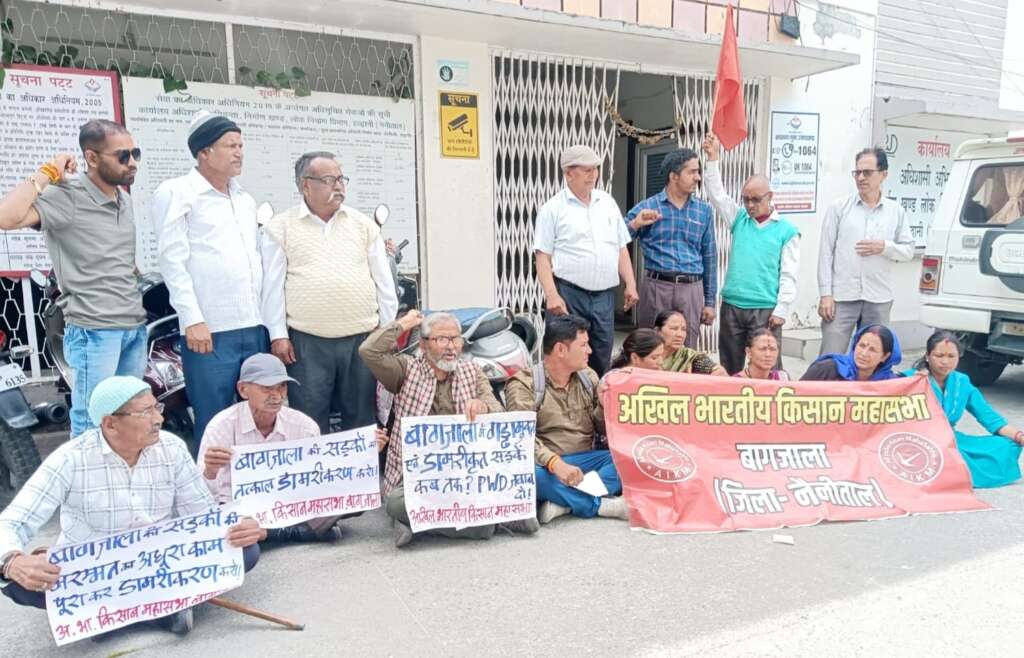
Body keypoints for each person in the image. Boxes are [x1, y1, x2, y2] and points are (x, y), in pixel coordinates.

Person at [0, 376, 263, 636]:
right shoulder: (70, 459)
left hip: (161, 562)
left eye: (157, 408)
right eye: (145, 412)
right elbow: (13, 521)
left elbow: (202, 514)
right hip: (97, 573)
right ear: (110, 424)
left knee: (245, 551)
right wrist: (13, 561)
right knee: (16, 582)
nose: (159, 419)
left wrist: (238, 526)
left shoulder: (171, 448)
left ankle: (110, 615)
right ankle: (159, 610)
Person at [0, 121, 146, 437]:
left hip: (133, 327)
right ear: (92, 158)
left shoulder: (123, 199)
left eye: (135, 153)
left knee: (131, 418)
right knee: (92, 419)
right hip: (94, 329)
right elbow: (6, 217)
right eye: (122, 156)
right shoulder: (67, 196)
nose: (132, 162)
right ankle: (87, 472)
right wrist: (48, 171)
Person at [359, 310, 536, 547]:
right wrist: (404, 324)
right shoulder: (405, 370)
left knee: (512, 484)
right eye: (442, 339)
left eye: (456, 339)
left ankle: (415, 522)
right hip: (415, 476)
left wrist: (483, 406)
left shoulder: (472, 371)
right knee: (395, 502)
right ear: (424, 345)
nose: (451, 346)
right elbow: (368, 351)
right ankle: (490, 524)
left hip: (462, 474)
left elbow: (498, 412)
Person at [152, 111, 270, 442]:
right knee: (214, 418)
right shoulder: (178, 192)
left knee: (257, 416)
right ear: (204, 151)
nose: (239, 153)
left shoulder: (245, 199)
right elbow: (172, 261)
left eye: (241, 145)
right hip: (210, 329)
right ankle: (209, 477)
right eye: (231, 146)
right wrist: (192, 318)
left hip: (253, 324)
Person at [262, 152, 397, 433]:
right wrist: (278, 335)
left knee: (361, 418)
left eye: (341, 178)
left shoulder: (363, 225)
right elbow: (272, 287)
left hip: (362, 339)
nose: (338, 186)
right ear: (305, 185)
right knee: (309, 419)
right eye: (329, 179)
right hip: (307, 342)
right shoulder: (281, 227)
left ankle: (362, 463)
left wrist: (385, 332)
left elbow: (384, 283)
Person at [198, 353, 387, 541]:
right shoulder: (222, 426)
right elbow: (201, 496)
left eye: (282, 386)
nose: (276, 395)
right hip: (240, 508)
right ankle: (300, 532)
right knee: (237, 533)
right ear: (243, 390)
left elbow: (324, 476)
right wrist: (210, 471)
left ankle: (270, 534)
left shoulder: (304, 425)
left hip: (291, 505)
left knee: (354, 495)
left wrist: (363, 453)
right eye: (266, 388)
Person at [504, 315, 628, 524]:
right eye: (583, 345)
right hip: (547, 464)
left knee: (625, 459)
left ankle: (564, 503)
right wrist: (555, 464)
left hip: (586, 459)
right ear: (561, 349)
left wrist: (603, 405)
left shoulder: (588, 376)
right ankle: (600, 506)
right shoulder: (524, 384)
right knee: (529, 475)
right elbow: (521, 438)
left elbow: (602, 430)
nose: (590, 351)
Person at [534, 144, 638, 376]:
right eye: (586, 170)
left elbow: (621, 247)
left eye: (596, 169)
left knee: (601, 353)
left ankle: (597, 397)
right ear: (568, 173)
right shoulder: (553, 209)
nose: (593, 175)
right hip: (569, 294)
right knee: (566, 355)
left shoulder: (607, 202)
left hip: (603, 296)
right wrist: (552, 295)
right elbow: (542, 256)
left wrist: (630, 283)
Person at [702, 134, 800, 374]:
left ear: (770, 197)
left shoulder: (787, 231)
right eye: (745, 199)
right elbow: (717, 195)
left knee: (767, 366)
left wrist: (781, 309)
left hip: (765, 309)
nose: (750, 205)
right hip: (732, 305)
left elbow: (789, 274)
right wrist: (713, 158)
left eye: (755, 200)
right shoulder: (739, 219)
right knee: (729, 365)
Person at [817, 147, 915, 355]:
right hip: (842, 297)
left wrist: (885, 247)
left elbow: (908, 251)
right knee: (830, 357)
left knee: (873, 358)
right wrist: (826, 295)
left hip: (878, 297)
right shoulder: (839, 208)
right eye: (857, 173)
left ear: (883, 175)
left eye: (867, 173)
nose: (861, 178)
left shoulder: (895, 211)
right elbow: (825, 253)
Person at [904, 331, 1023, 488]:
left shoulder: (962, 381)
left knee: (1009, 445)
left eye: (951, 356)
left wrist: (1019, 436)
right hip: (918, 442)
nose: (945, 361)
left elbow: (990, 418)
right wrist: (914, 385)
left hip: (952, 439)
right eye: (939, 356)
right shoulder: (910, 379)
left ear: (959, 356)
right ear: (927, 356)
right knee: (949, 456)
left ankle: (955, 472)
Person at [625, 148, 717, 348]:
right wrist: (636, 224)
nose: (698, 177)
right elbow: (617, 239)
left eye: (698, 171)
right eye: (692, 172)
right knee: (650, 346)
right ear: (674, 176)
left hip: (691, 289)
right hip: (657, 287)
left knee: (687, 346)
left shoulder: (704, 210)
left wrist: (710, 302)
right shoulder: (648, 207)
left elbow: (710, 256)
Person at [801, 324, 901, 382]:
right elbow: (796, 395)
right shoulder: (826, 369)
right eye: (862, 346)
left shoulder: (888, 383)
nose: (864, 353)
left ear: (885, 356)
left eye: (872, 350)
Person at [654, 310, 727, 375]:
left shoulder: (689, 357)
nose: (680, 335)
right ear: (657, 331)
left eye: (683, 329)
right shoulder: (648, 351)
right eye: (674, 329)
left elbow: (720, 373)